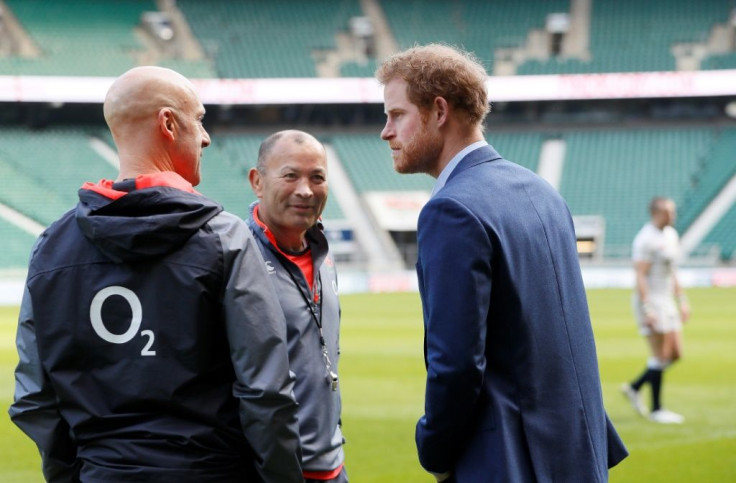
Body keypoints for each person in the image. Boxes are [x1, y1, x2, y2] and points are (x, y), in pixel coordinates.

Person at [8, 66, 303, 482]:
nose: (206, 137)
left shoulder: (51, 247)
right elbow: (266, 393)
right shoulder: (225, 238)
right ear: (168, 123)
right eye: (198, 119)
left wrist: (77, 474)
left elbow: (34, 397)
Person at [376, 44, 628, 482]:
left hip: (510, 461)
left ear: (439, 110)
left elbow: (456, 365)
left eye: (397, 115)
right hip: (575, 455)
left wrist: (434, 451)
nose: (386, 131)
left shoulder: (451, 210)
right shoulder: (543, 192)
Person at [247, 130, 347, 483]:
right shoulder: (236, 259)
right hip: (271, 472)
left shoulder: (323, 250)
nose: (305, 190)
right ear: (257, 182)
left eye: (317, 177)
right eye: (290, 175)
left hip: (332, 464)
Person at [621, 197, 690, 424]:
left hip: (667, 298)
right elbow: (640, 274)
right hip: (651, 300)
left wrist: (682, 299)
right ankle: (657, 408)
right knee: (659, 355)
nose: (674, 216)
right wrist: (647, 308)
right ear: (657, 213)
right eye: (670, 212)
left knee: (675, 354)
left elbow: (672, 269)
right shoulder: (646, 239)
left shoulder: (671, 234)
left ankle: (635, 387)